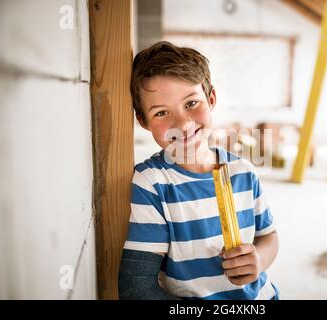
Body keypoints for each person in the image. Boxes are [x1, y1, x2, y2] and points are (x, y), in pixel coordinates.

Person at [118, 41, 279, 300]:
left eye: (191, 103)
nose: (182, 123)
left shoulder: (244, 171)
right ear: (143, 121)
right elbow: (136, 288)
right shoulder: (152, 182)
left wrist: (259, 259)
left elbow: (268, 235)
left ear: (211, 98)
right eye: (161, 112)